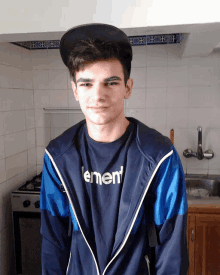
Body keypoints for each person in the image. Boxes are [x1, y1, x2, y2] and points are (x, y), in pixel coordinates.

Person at [40, 23, 189, 275]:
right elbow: (53, 243)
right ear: (75, 90)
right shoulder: (58, 156)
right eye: (86, 84)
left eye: (110, 83)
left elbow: (171, 248)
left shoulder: (159, 156)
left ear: (127, 88)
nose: (98, 96)